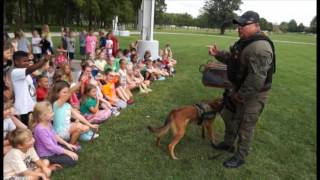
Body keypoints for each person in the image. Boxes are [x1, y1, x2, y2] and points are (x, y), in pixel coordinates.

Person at [208, 11, 275, 168]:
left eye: (243, 25)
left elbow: (256, 79)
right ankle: (228, 143)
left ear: (256, 26)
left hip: (253, 94)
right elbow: (234, 60)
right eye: (239, 24)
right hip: (238, 89)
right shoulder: (245, 41)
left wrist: (240, 96)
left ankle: (240, 156)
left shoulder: (260, 47)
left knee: (246, 125)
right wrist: (217, 54)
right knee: (228, 115)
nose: (239, 28)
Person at [30, 101, 79, 168]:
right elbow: (51, 147)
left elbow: (55, 136)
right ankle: (50, 164)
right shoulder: (40, 129)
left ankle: (59, 159)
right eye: (50, 113)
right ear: (42, 116)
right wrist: (68, 152)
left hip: (54, 150)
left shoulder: (48, 122)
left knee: (76, 149)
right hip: (47, 155)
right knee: (73, 160)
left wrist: (67, 144)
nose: (53, 113)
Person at [11, 51, 50, 126]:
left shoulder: (27, 74)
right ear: (16, 62)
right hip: (22, 110)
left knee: (33, 127)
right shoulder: (15, 72)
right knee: (26, 130)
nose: (27, 63)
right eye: (24, 61)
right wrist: (44, 60)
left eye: (28, 61)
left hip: (30, 106)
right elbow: (30, 69)